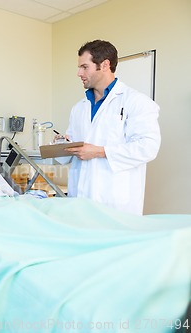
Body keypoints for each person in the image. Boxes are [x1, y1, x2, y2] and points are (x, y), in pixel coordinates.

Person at [63, 40, 161, 215]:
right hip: (79, 200)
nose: (79, 73)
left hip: (116, 203)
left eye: (85, 67)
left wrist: (100, 151)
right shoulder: (79, 108)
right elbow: (72, 149)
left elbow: (148, 148)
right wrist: (64, 144)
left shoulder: (137, 102)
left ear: (105, 64)